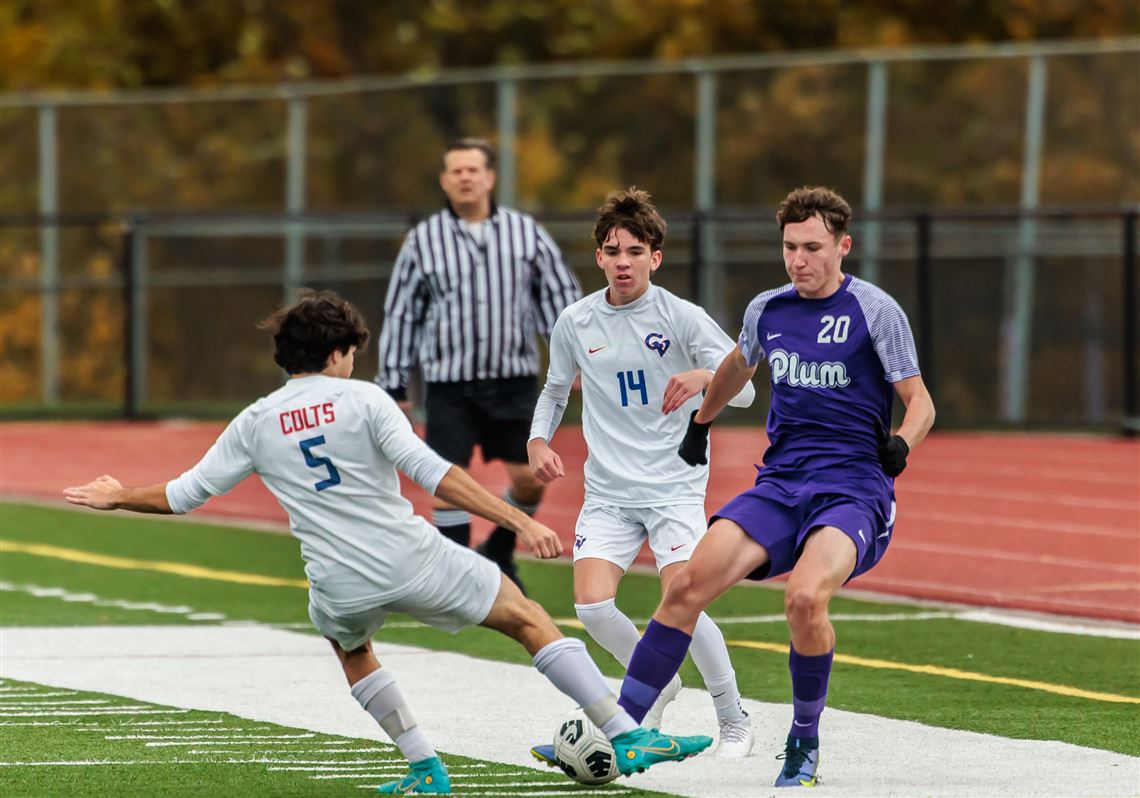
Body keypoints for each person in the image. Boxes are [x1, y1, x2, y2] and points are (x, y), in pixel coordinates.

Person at [63, 290, 712, 795]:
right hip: (412, 558)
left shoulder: (255, 421)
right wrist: (521, 522)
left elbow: (183, 496)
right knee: (526, 617)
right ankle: (625, 735)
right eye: (353, 351)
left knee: (351, 647)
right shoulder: (364, 400)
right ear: (339, 353)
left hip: (336, 582)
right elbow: (442, 479)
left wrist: (118, 493)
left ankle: (424, 766)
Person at [605, 187, 936, 788]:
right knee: (684, 587)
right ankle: (623, 730)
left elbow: (920, 402)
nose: (799, 259)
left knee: (805, 599)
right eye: (790, 246)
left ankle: (803, 744)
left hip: (852, 488)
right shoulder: (767, 310)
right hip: (781, 482)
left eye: (813, 247)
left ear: (843, 246)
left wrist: (903, 444)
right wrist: (700, 424)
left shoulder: (875, 310)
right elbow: (738, 364)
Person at [526, 187, 757, 765]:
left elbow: (747, 389)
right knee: (592, 607)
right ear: (598, 257)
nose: (622, 261)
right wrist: (536, 441)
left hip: (674, 485)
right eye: (612, 250)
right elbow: (556, 390)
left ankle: (733, 716)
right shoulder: (576, 320)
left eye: (635, 250)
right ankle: (658, 682)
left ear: (655, 257)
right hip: (607, 491)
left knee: (685, 595)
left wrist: (707, 376)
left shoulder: (681, 316)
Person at [376, 137, 582, 591]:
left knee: (531, 478)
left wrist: (581, 359)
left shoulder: (525, 233)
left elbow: (559, 299)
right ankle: (456, 574)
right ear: (444, 181)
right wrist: (393, 385)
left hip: (513, 381)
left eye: (474, 170)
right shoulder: (423, 240)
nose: (466, 177)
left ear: (490, 178)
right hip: (450, 384)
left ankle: (499, 552)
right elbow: (402, 312)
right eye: (456, 171)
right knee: (448, 480)